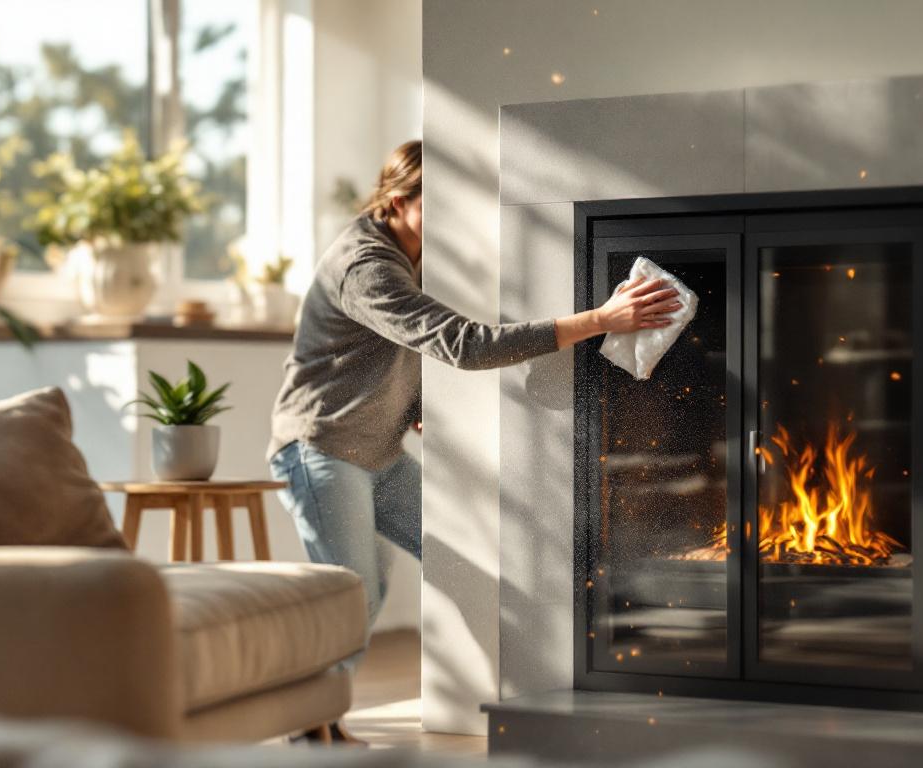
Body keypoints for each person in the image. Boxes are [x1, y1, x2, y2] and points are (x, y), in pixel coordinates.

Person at [267, 138, 680, 656]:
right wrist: (600, 319)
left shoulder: (413, 254)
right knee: (354, 598)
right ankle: (307, 704)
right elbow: (465, 345)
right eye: (435, 204)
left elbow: (390, 347)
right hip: (321, 449)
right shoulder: (365, 267)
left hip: (378, 455)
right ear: (398, 202)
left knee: (449, 565)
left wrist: (415, 405)